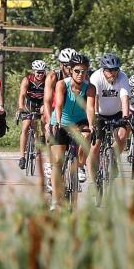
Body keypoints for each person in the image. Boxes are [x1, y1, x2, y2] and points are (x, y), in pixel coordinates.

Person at [50, 53, 96, 202]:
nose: (80, 74)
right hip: (61, 121)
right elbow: (59, 104)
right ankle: (56, 200)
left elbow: (90, 107)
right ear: (70, 70)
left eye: (84, 71)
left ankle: (80, 166)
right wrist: (57, 122)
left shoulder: (90, 88)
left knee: (87, 135)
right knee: (57, 161)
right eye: (77, 71)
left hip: (80, 122)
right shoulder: (62, 84)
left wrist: (91, 124)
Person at [89, 53, 131, 179]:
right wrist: (95, 116)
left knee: (123, 134)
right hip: (99, 114)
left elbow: (125, 98)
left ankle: (113, 157)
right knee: (95, 145)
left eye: (116, 69)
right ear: (103, 70)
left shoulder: (123, 77)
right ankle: (92, 180)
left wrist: (125, 117)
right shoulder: (96, 77)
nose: (113, 73)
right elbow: (94, 98)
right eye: (110, 70)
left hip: (116, 113)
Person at [43, 48, 75, 177]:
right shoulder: (53, 76)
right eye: (68, 66)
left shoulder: (79, 75)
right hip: (56, 108)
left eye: (73, 65)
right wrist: (50, 122)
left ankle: (79, 166)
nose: (71, 69)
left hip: (72, 111)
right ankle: (49, 163)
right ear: (61, 65)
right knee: (50, 132)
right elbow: (47, 101)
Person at [17, 59, 47, 170]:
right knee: (26, 126)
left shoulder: (47, 80)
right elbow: (22, 95)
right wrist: (21, 107)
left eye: (42, 72)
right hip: (29, 104)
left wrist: (45, 106)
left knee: (44, 117)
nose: (40, 74)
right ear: (34, 71)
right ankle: (22, 157)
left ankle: (43, 136)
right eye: (38, 72)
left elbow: (49, 96)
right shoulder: (27, 80)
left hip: (42, 103)